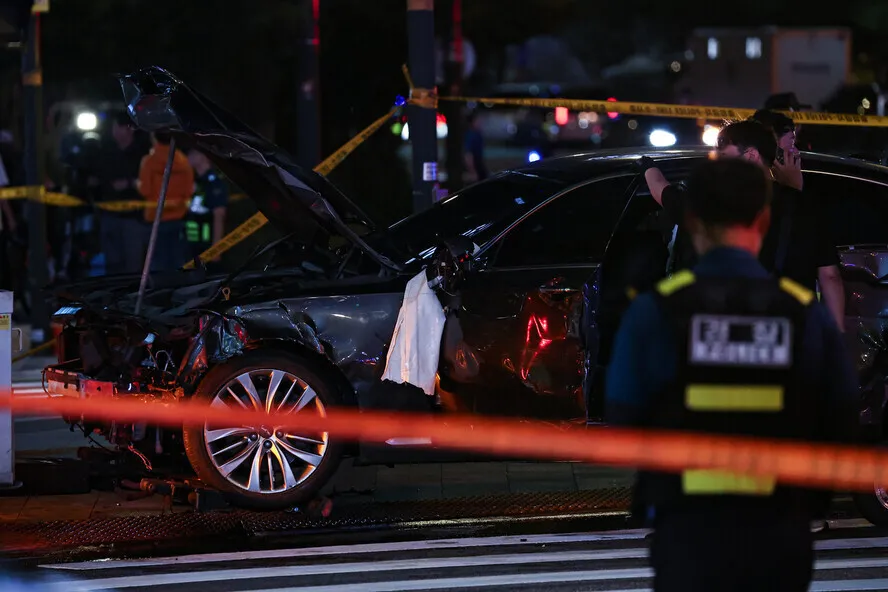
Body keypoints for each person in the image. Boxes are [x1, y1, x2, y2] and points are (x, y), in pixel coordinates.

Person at [606, 158, 857, 592]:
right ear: (763, 218)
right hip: (780, 534)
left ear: (692, 220)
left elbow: (623, 421)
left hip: (688, 534)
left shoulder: (655, 313)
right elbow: (842, 420)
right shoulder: (803, 315)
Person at [640, 119, 845, 332]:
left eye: (725, 158)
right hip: (793, 334)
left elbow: (661, 191)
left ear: (751, 156)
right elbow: (830, 277)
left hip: (725, 336)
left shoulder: (714, 203)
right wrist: (837, 336)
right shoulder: (804, 205)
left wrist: (647, 166)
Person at [749, 108, 845, 332]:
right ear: (772, 149)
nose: (797, 152)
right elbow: (829, 276)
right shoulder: (799, 204)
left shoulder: (730, 198)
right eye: (790, 144)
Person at [98, 111, 151, 276]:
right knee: (112, 265)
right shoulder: (106, 152)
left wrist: (128, 183)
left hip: (133, 219)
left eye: (117, 127)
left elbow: (147, 183)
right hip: (109, 216)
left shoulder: (143, 154)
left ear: (129, 129)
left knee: (132, 265)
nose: (114, 131)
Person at [137, 131, 194, 272]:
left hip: (156, 220)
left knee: (157, 263)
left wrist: (137, 184)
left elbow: (146, 190)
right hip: (178, 218)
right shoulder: (183, 160)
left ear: (153, 137)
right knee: (178, 261)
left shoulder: (149, 161)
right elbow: (189, 190)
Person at [184, 148, 228, 265]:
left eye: (193, 152)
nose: (189, 156)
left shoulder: (214, 182)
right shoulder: (195, 180)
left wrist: (216, 249)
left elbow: (219, 216)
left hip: (206, 244)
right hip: (190, 242)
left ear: (203, 156)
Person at [464, 110, 488, 182]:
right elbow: (468, 155)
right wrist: (473, 172)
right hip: (476, 167)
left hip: (480, 166)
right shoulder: (471, 135)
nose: (481, 122)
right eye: (478, 120)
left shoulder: (478, 134)